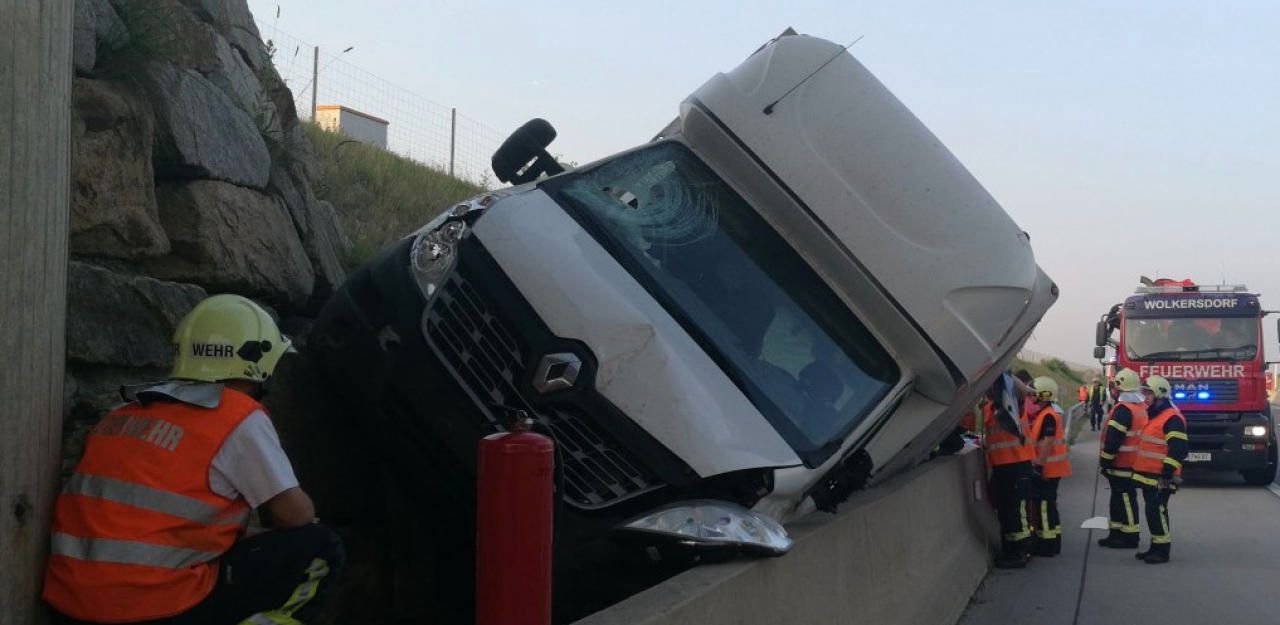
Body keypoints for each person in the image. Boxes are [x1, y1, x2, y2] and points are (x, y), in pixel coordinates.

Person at [43, 295, 344, 624]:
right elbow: (295, 514)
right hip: (153, 609)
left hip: (68, 607)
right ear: (258, 364)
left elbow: (146, 527)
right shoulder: (235, 415)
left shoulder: (124, 414)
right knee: (320, 547)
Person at [961, 373, 1035, 569]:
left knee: (1015, 511)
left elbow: (1022, 391)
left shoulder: (1012, 406)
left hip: (1017, 464)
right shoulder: (988, 409)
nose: (989, 390)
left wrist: (1003, 373)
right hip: (1001, 467)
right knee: (1006, 511)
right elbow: (993, 438)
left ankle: (1020, 552)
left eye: (992, 387)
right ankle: (1010, 550)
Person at [1131, 375, 1188, 564]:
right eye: (1144, 392)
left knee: (1157, 510)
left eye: (1148, 393)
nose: (1144, 396)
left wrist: (1167, 473)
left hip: (1162, 476)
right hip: (1150, 475)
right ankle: (1155, 547)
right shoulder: (1155, 414)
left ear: (1160, 394)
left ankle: (1162, 551)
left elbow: (1179, 448)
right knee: (1152, 511)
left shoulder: (1172, 418)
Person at [1097, 368, 1148, 549]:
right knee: (1119, 498)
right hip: (1132, 462)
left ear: (1118, 388)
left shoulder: (1123, 410)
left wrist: (1105, 461)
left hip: (1123, 463)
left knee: (1125, 498)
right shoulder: (1140, 407)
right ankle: (1116, 533)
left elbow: (1113, 441)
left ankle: (1130, 536)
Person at [1027, 377, 1071, 557]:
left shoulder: (1048, 416)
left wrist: (1038, 466)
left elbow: (1047, 441)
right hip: (1051, 468)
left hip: (1048, 469)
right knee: (1049, 506)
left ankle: (1047, 545)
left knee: (1044, 507)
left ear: (1043, 395)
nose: (1031, 397)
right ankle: (1052, 542)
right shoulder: (1045, 414)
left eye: (1034, 394)